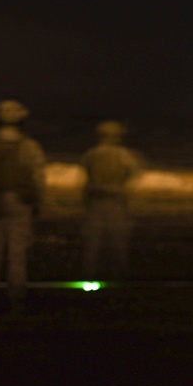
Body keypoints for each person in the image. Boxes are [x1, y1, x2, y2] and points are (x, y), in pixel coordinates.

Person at [0, 99, 46, 317]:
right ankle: (17, 299)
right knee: (17, 254)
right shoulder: (31, 146)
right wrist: (38, 204)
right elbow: (39, 177)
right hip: (21, 202)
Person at [80, 119, 142, 279]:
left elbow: (86, 177)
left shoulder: (92, 154)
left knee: (94, 241)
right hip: (114, 201)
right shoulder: (124, 155)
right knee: (117, 241)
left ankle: (91, 274)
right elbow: (134, 174)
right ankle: (119, 274)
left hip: (98, 201)